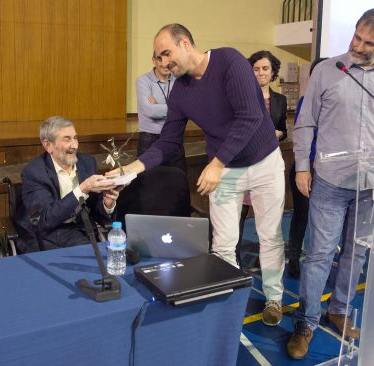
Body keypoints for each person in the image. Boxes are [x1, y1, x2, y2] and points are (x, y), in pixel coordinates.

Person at [113, 24, 286, 326]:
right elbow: (168, 141)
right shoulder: (179, 92)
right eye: (157, 58)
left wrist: (217, 163)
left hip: (263, 162)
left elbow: (250, 117)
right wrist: (131, 169)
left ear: (185, 43)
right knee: (223, 243)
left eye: (166, 54)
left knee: (269, 236)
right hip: (226, 169)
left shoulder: (230, 61)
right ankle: (230, 300)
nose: (163, 64)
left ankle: (274, 298)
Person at [288, 8, 374, 359]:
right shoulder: (327, 71)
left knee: (356, 254)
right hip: (329, 180)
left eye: (369, 42)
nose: (358, 45)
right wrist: (301, 167)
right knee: (319, 254)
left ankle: (338, 310)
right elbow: (305, 124)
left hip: (372, 184)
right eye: (356, 37)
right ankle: (306, 321)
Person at [20, 116, 120, 251]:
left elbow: (95, 209)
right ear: (48, 145)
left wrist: (107, 204)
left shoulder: (87, 162)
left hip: (76, 231)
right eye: (67, 139)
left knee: (89, 265)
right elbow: (45, 219)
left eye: (75, 138)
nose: (74, 145)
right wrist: (82, 189)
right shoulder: (35, 172)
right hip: (44, 236)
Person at [236, 50, 288, 265]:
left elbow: (282, 129)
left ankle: (264, 258)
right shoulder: (241, 97)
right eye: (256, 69)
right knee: (239, 212)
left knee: (266, 215)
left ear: (273, 71)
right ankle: (233, 256)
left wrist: (279, 134)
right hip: (244, 161)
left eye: (265, 69)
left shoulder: (280, 100)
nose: (260, 73)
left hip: (269, 162)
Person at [286, 58, 328, 279]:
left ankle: (318, 259)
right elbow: (304, 134)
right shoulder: (306, 101)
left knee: (324, 218)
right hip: (308, 166)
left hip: (329, 166)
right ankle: (293, 258)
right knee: (301, 214)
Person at [136, 52, 186, 173]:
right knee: (149, 183)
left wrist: (158, 106)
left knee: (178, 181)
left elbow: (187, 107)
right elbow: (150, 111)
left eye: (168, 60)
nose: (164, 64)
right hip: (149, 139)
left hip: (174, 136)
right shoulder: (143, 81)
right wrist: (177, 108)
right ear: (153, 60)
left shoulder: (179, 80)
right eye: (159, 59)